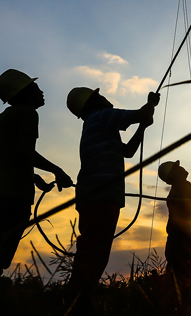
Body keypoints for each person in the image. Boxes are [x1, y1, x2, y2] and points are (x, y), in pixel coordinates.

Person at [0, 69, 73, 296]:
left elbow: (7, 156)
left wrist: (32, 177)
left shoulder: (2, 118)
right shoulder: (27, 113)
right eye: (35, 87)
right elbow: (24, 150)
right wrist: (57, 170)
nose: (41, 91)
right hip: (12, 199)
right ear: (24, 93)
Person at [64, 87, 160, 307]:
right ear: (91, 102)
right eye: (99, 96)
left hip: (96, 196)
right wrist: (151, 104)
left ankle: (78, 299)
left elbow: (128, 151)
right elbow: (141, 114)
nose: (105, 97)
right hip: (101, 196)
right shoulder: (101, 116)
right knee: (94, 252)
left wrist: (143, 127)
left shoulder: (97, 124)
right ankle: (76, 302)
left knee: (94, 251)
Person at [158, 160, 191, 286]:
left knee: (178, 275)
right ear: (172, 174)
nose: (182, 168)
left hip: (179, 240)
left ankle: (173, 295)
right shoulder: (182, 188)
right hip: (180, 240)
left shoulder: (180, 188)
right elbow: (189, 214)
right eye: (177, 168)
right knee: (181, 276)